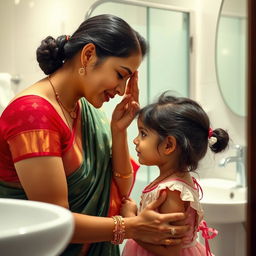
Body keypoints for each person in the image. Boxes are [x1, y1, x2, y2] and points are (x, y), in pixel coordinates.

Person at [0, 15, 189, 256]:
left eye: (128, 79)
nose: (122, 90)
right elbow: (54, 222)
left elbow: (121, 189)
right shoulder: (33, 115)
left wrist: (118, 132)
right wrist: (132, 227)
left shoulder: (84, 108)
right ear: (88, 55)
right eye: (121, 75)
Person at [121, 91, 229, 256]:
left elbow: (170, 251)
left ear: (168, 145)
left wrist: (131, 223)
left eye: (143, 134)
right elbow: (157, 230)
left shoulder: (172, 191)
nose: (136, 140)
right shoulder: (173, 181)